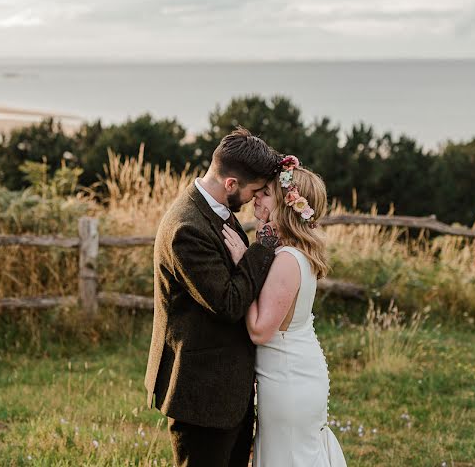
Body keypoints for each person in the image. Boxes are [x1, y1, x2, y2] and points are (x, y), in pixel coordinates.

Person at [145, 127, 283, 467]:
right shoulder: (187, 228)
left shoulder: (217, 209)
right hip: (202, 392)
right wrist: (261, 249)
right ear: (231, 184)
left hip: (227, 390)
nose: (254, 199)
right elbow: (229, 303)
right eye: (253, 191)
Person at [222, 154, 347, 466]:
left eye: (266, 194)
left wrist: (243, 266)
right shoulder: (290, 253)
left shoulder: (288, 259)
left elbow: (260, 330)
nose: (257, 198)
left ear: (287, 203)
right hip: (289, 373)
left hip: (289, 379)